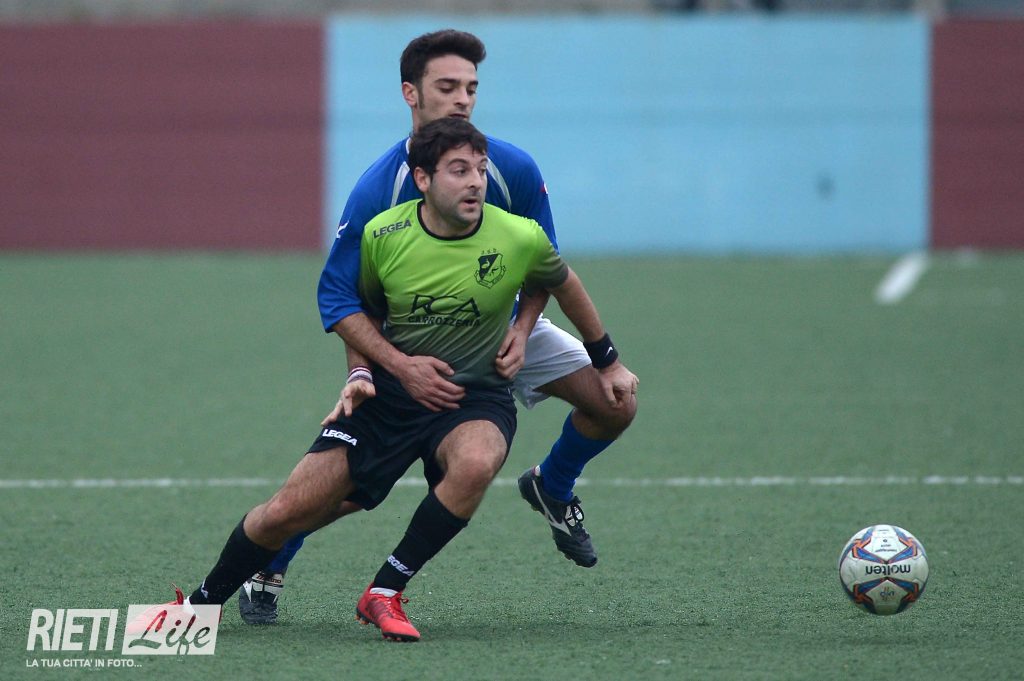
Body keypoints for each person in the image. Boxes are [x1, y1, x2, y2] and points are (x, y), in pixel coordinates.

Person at [136, 118, 638, 643]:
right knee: (286, 511)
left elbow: (563, 283)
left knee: (477, 461)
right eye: (459, 171)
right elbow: (361, 312)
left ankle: (385, 591)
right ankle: (201, 605)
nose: (475, 182)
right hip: (391, 398)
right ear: (423, 178)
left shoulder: (518, 235)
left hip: (475, 396)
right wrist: (364, 373)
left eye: (480, 170)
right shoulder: (383, 235)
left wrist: (606, 359)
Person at [238, 28, 638, 625]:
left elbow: (546, 267)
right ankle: (271, 559)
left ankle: (552, 486)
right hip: (413, 342)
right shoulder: (380, 188)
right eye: (447, 86)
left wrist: (524, 328)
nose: (462, 99)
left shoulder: (510, 168)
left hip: (502, 328)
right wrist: (373, 369)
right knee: (351, 485)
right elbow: (344, 297)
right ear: (411, 93)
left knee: (616, 403)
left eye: (471, 88)